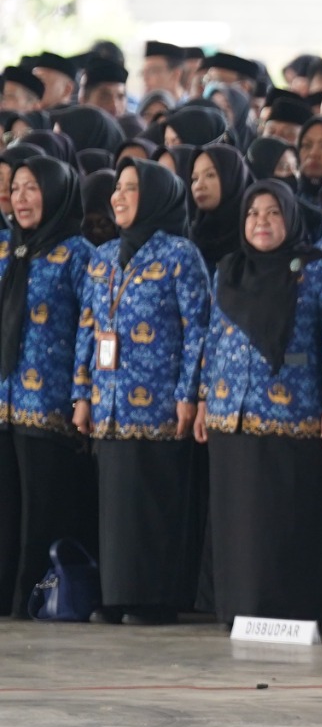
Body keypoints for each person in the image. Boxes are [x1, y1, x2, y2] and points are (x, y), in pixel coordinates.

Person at [76, 161, 209, 625]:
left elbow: (197, 330)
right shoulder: (103, 257)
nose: (118, 197)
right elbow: (88, 328)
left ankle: (155, 599)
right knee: (116, 505)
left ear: (155, 196)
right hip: (108, 401)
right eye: (117, 188)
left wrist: (188, 393)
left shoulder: (180, 255)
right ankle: (117, 595)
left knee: (154, 501)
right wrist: (81, 394)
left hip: (159, 402)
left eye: (130, 189)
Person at [199, 181, 322, 623]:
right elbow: (213, 338)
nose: (262, 222)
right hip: (231, 412)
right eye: (253, 213)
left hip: (294, 414)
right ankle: (238, 608)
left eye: (273, 212)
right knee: (237, 520)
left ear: (291, 219)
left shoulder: (317, 272)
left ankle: (289, 610)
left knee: (283, 518)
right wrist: (203, 398)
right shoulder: (229, 269)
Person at [0, 156, 92, 611]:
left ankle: (31, 600)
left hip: (49, 406)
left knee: (40, 512)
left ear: (54, 194)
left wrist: (82, 394)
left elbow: (89, 328)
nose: (21, 198)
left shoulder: (77, 253)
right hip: (3, 402)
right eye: (16, 188)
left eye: (32, 188)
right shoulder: (5, 250)